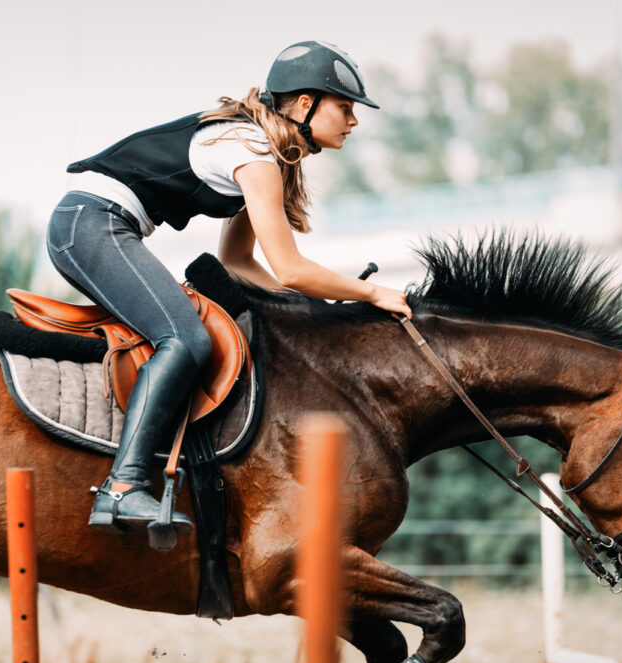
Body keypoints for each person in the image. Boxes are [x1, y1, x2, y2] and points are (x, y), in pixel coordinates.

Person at [46, 40, 412, 537]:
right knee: (187, 339)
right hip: (90, 224)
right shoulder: (255, 151)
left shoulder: (266, 150)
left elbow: (237, 262)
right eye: (345, 107)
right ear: (305, 104)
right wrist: (369, 294)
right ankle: (122, 487)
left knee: (187, 333)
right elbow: (288, 267)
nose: (353, 120)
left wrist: (312, 304)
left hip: (98, 224)